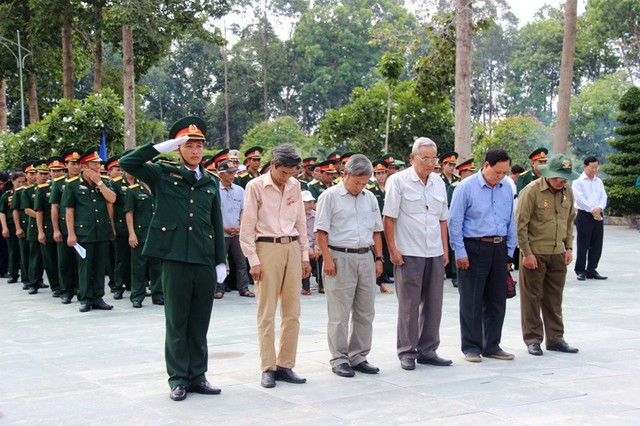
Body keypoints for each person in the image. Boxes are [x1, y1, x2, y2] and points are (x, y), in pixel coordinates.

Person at [120, 116, 226, 401]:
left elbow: (215, 222)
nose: (194, 150)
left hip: (204, 259)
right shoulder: (162, 173)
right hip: (175, 256)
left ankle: (198, 375)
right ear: (178, 149)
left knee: (199, 322)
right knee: (177, 321)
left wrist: (220, 261)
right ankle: (178, 378)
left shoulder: (211, 182)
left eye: (199, 145)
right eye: (188, 145)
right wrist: (160, 147)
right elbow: (128, 163)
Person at [239, 143, 311, 389]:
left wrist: (304, 255)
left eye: (292, 173)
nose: (287, 178)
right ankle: (268, 367)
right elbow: (247, 226)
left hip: (291, 246)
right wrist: (253, 260)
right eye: (283, 173)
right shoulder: (255, 186)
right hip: (266, 247)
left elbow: (301, 222)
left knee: (293, 312)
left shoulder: (295, 186)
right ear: (272, 166)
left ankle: (286, 364)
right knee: (267, 312)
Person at [383, 137, 451, 371]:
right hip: (408, 252)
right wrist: (393, 250)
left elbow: (442, 219)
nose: (430, 163)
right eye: (425, 159)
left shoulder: (438, 183)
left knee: (434, 304)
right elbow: (388, 218)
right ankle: (407, 352)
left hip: (434, 251)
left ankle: (428, 350)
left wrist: (444, 250)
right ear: (412, 158)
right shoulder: (398, 181)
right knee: (409, 305)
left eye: (434, 159)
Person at [315, 154, 384, 377]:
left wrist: (379, 259)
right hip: (339, 256)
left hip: (365, 256)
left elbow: (376, 230)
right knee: (339, 313)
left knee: (365, 311)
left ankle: (359, 356)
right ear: (345, 174)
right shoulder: (330, 196)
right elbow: (321, 231)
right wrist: (327, 259)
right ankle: (339, 358)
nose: (359, 187)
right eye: (356, 182)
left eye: (364, 183)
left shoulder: (370, 197)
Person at [448, 148, 516, 363]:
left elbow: (510, 221)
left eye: (504, 172)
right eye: (497, 172)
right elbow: (454, 222)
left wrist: (509, 253)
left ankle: (492, 345)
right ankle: (471, 346)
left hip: (499, 247)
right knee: (472, 300)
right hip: (474, 247)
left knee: (497, 300)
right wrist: (459, 251)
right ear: (486, 165)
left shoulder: (506, 187)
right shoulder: (466, 188)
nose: (501, 177)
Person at [517, 154, 580, 356]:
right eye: (559, 177)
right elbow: (521, 225)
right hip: (535, 253)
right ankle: (533, 339)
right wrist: (526, 253)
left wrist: (568, 247)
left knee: (554, 298)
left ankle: (555, 339)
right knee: (532, 297)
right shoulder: (531, 191)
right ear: (549, 174)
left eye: (566, 178)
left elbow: (570, 220)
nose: (563, 181)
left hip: (557, 253)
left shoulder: (567, 192)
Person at [62, 146, 116, 312]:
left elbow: (112, 199)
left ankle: (98, 297)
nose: (97, 167)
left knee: (100, 267)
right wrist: (71, 234)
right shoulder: (72, 185)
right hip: (84, 233)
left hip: (102, 232)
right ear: (84, 166)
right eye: (93, 164)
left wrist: (99, 183)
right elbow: (69, 212)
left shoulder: (104, 183)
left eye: (98, 164)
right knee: (85, 267)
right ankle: (85, 298)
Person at [216, 159, 254, 299]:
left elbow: (244, 210)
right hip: (221, 232)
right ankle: (218, 288)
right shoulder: (215, 191)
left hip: (237, 232)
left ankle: (243, 288)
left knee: (241, 262)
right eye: (229, 173)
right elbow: (214, 213)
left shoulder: (239, 190)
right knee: (220, 261)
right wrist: (224, 227)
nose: (232, 175)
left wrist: (240, 226)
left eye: (234, 173)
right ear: (220, 174)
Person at [124, 175, 163, 308]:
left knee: (157, 266)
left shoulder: (159, 190)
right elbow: (129, 213)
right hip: (140, 233)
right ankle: (137, 296)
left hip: (157, 234)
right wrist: (131, 234)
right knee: (138, 267)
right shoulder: (133, 190)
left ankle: (158, 294)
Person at [50, 147, 82, 304]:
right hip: (64, 227)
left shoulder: (87, 180)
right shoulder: (58, 184)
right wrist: (56, 229)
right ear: (66, 165)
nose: (76, 166)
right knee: (65, 261)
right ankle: (66, 291)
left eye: (78, 163)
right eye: (73, 163)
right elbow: (55, 207)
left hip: (85, 227)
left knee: (83, 262)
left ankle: (82, 289)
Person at [572, 156, 608, 281]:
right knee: (583, 243)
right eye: (592, 167)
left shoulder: (598, 181)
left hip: (598, 214)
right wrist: (593, 210)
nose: (594, 170)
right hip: (584, 215)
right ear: (585, 166)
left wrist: (599, 208)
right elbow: (580, 199)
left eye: (596, 167)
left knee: (597, 243)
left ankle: (592, 269)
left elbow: (604, 197)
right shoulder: (578, 182)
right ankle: (580, 270)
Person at [34, 159, 63, 297]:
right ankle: (56, 286)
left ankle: (69, 285)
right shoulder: (43, 189)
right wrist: (40, 231)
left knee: (65, 260)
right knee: (50, 260)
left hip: (65, 229)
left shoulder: (68, 186)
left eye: (60, 170)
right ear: (50, 173)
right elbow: (39, 212)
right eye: (54, 171)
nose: (57, 173)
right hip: (49, 228)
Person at [367, 160, 394, 293]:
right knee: (378, 252)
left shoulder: (391, 187)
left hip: (389, 224)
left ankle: (388, 274)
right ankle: (380, 279)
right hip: (376, 225)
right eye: (378, 173)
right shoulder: (370, 189)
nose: (381, 176)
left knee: (389, 251)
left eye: (383, 173)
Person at [107, 155, 132, 299]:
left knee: (134, 259)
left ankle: (131, 283)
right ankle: (117, 286)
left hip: (136, 226)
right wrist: (112, 226)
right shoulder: (116, 184)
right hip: (121, 225)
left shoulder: (139, 182)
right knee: (120, 259)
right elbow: (111, 206)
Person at [24, 160, 49, 294]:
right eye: (40, 174)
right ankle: (33, 282)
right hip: (35, 228)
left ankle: (44, 281)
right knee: (35, 256)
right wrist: (42, 216)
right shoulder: (28, 191)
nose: (43, 176)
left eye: (46, 173)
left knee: (48, 257)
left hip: (49, 227)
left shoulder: (51, 188)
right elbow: (27, 210)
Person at [12, 161, 37, 290]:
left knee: (38, 255)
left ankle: (37, 279)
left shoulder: (43, 188)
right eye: (31, 173)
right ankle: (27, 280)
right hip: (26, 225)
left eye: (35, 173)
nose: (34, 176)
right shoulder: (20, 192)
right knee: (27, 255)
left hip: (41, 227)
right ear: (26, 175)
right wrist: (17, 228)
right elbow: (16, 210)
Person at [0, 172, 26, 284]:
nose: (21, 184)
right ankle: (13, 273)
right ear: (12, 181)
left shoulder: (27, 192)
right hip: (11, 226)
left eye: (23, 182)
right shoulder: (7, 195)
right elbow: (2, 213)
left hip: (25, 224)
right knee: (13, 251)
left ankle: (28, 277)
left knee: (25, 252)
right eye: (18, 182)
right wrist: (4, 228)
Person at [301, 190, 321, 295]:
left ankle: (322, 285)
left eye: (311, 202)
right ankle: (306, 287)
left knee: (323, 255)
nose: (310, 205)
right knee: (305, 257)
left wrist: (317, 247)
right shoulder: (297, 217)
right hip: (303, 246)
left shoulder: (317, 216)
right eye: (307, 202)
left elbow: (320, 233)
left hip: (316, 245)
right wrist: (307, 248)